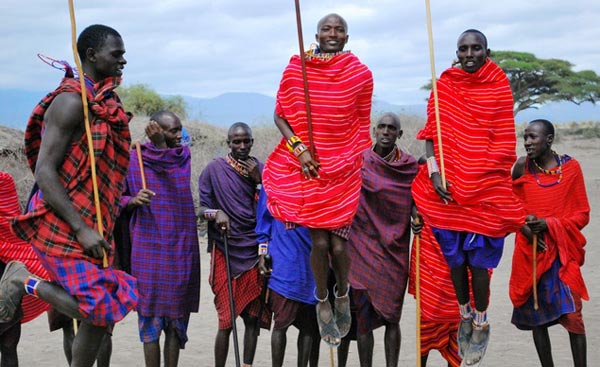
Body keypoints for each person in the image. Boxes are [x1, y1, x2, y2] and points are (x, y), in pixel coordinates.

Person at [3, 24, 137, 367]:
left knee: (103, 311)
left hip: (94, 217)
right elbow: (45, 171)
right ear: (91, 55)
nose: (123, 60)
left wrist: (94, 223)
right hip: (61, 218)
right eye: (116, 53)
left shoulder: (105, 101)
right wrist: (80, 228)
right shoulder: (69, 102)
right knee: (100, 305)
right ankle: (23, 280)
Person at [411, 29, 524, 366]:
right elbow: (431, 136)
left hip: (486, 187)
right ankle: (463, 311)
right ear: (456, 52)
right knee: (455, 261)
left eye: (476, 48)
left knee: (479, 264)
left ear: (487, 51)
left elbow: (503, 141)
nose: (470, 53)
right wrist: (434, 172)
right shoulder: (444, 85)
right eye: (463, 49)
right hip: (448, 189)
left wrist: (478, 173)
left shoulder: (498, 85)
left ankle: (480, 317)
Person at [262, 13, 373, 348]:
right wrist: (300, 150)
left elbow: (361, 123)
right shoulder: (297, 69)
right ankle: (322, 297)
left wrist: (347, 157)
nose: (333, 33)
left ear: (347, 38)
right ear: (316, 34)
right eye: (327, 28)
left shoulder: (360, 74)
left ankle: (342, 294)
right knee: (321, 244)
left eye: (339, 29)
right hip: (307, 168)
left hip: (342, 171)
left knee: (340, 246)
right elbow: (280, 114)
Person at [120, 111, 200, 367]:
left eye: (179, 129)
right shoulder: (133, 160)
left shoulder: (181, 156)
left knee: (176, 321)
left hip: (180, 249)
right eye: (172, 131)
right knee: (150, 322)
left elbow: (175, 176)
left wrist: (161, 145)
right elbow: (114, 199)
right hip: (148, 249)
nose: (179, 136)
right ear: (155, 129)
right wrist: (132, 200)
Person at [338, 113, 417, 367]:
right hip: (362, 247)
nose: (386, 131)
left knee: (392, 316)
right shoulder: (360, 161)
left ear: (399, 134)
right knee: (364, 317)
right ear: (374, 130)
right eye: (381, 127)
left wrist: (417, 215)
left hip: (394, 250)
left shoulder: (408, 167)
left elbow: (417, 199)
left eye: (391, 128)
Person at [510, 119, 589, 367]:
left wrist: (550, 225)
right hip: (531, 253)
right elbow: (509, 207)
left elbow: (582, 214)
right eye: (525, 137)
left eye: (533, 137)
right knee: (538, 317)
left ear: (549, 140)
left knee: (573, 316)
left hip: (563, 254)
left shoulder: (571, 168)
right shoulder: (521, 167)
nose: (527, 142)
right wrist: (527, 229)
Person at [198, 122, 269, 367]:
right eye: (236, 141)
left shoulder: (260, 169)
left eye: (246, 141)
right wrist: (215, 214)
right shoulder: (213, 170)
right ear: (228, 143)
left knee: (252, 319)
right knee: (226, 320)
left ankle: (246, 365)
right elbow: (201, 209)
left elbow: (268, 213)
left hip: (253, 250)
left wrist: (258, 181)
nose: (241, 146)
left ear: (252, 142)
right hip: (226, 249)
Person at [255, 188, 320, 367]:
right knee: (281, 323)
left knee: (309, 327)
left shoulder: (316, 179)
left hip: (311, 259)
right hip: (283, 260)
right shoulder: (273, 180)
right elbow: (263, 225)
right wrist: (262, 254)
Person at [0, 171, 50, 367]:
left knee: (9, 345)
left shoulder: (4, 182)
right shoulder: (4, 181)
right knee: (9, 346)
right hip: (9, 274)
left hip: (7, 273)